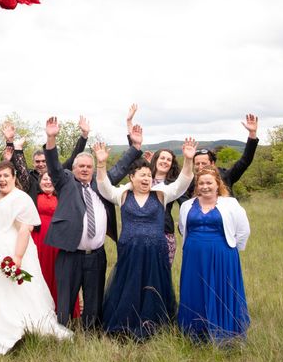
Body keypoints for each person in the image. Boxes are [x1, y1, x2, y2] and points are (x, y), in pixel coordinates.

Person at [44, 116, 143, 330]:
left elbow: (121, 167)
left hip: (96, 255)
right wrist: (51, 139)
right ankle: (61, 333)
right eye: (81, 166)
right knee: (65, 300)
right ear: (74, 168)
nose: (86, 169)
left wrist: (135, 146)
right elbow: (53, 166)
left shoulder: (101, 184)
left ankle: (91, 333)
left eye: (89, 166)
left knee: (94, 299)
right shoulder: (66, 183)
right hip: (70, 255)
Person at [95, 136, 196, 339]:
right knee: (129, 287)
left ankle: (154, 325)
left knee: (153, 288)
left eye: (149, 175)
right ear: (131, 177)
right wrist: (101, 163)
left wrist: (188, 160)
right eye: (142, 175)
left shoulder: (160, 194)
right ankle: (125, 325)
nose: (146, 179)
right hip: (130, 252)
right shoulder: (123, 195)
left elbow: (182, 183)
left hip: (155, 251)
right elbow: (104, 187)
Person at [0, 161, 73, 354]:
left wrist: (17, 257)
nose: (2, 180)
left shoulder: (20, 198)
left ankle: (21, 329)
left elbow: (25, 228)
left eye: (6, 176)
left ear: (14, 177)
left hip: (12, 249)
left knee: (16, 289)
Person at [177, 166, 250, 343]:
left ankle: (225, 332)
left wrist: (230, 250)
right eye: (201, 183)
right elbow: (182, 227)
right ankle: (196, 332)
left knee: (220, 290)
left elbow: (243, 230)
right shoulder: (187, 205)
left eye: (209, 182)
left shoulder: (230, 204)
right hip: (193, 256)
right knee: (196, 290)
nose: (205, 186)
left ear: (218, 184)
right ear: (196, 186)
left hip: (223, 255)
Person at [29, 172, 81, 319]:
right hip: (39, 241)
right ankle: (40, 312)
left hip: (58, 242)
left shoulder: (62, 197)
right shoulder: (33, 198)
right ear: (39, 182)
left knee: (59, 275)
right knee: (41, 273)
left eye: (51, 179)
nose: (48, 182)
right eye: (45, 179)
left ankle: (61, 311)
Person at [2, 116, 90, 201]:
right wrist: (9, 142)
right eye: (37, 161)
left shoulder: (58, 173)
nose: (41, 164)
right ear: (33, 163)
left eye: (44, 161)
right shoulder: (30, 177)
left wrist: (84, 136)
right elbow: (18, 168)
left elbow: (73, 159)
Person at [188, 114, 259, 197]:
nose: (200, 166)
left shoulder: (226, 176)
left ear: (212, 163)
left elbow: (245, 161)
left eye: (204, 163)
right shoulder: (190, 182)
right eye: (197, 163)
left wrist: (252, 133)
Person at [150, 149, 182, 264]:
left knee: (162, 274)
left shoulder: (173, 184)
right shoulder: (144, 178)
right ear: (156, 160)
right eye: (162, 158)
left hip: (165, 234)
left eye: (169, 160)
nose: (165, 161)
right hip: (141, 234)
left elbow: (185, 203)